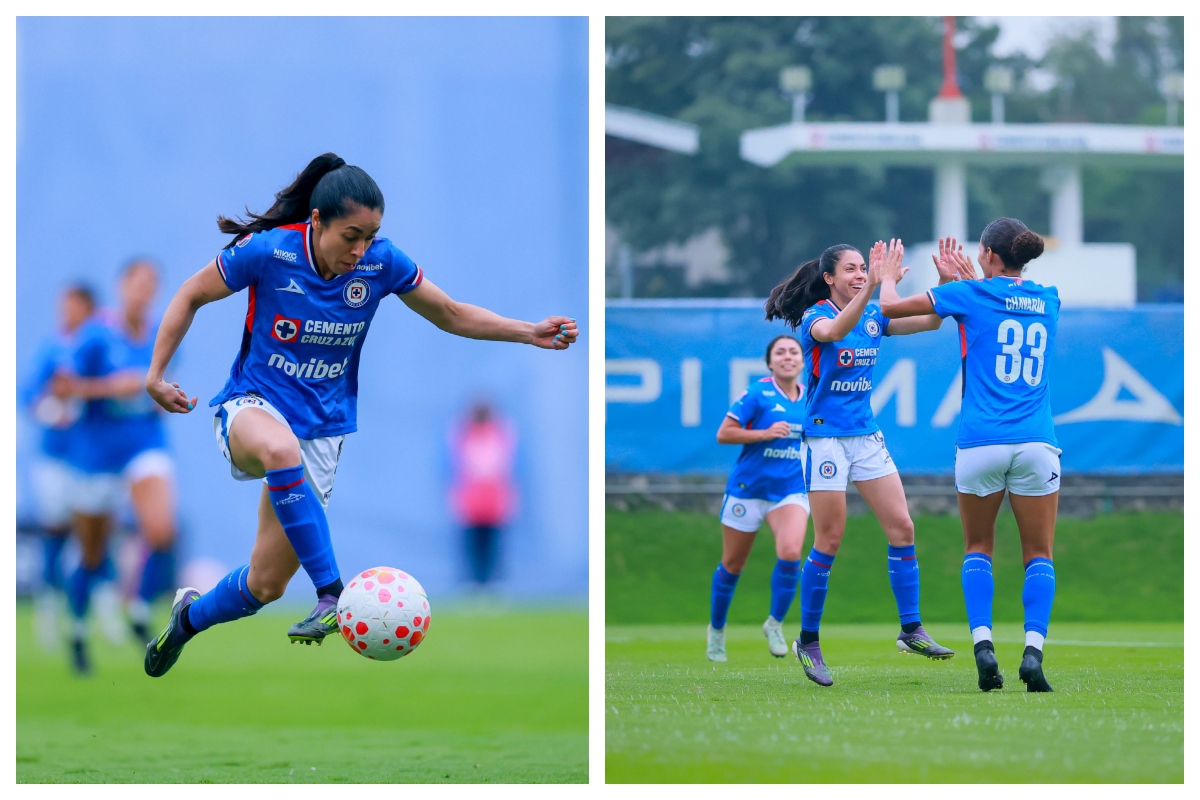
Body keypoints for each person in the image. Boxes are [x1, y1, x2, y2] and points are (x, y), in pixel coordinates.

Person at [140, 153, 579, 678]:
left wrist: (528, 331)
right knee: (280, 450)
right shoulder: (269, 251)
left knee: (265, 584)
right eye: (351, 235)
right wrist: (156, 374)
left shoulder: (381, 264)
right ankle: (332, 594)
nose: (361, 249)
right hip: (251, 407)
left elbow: (451, 314)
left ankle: (186, 619)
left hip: (322, 431)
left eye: (370, 236)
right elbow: (190, 294)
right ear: (318, 221)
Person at [764, 239, 958, 687]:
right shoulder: (817, 316)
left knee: (903, 527)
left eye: (862, 268)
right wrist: (873, 286)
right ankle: (807, 640)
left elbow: (930, 321)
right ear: (828, 278)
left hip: (866, 438)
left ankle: (911, 630)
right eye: (850, 269)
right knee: (829, 539)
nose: (858, 274)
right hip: (825, 440)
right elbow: (832, 334)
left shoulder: (873, 314)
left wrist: (945, 283)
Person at [879, 221, 1059, 693]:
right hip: (1037, 443)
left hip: (980, 443)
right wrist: (972, 282)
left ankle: (983, 646)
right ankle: (1033, 653)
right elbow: (1005, 301)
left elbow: (890, 309)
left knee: (979, 548)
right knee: (1038, 554)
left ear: (988, 253)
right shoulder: (1050, 299)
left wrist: (887, 275)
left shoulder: (970, 295)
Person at [706, 335, 809, 663]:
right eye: (780, 352)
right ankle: (717, 631)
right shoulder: (757, 393)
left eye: (794, 351)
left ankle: (775, 624)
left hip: (790, 490)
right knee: (732, 565)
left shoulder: (812, 398)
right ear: (770, 362)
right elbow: (724, 433)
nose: (787, 357)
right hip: (748, 490)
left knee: (791, 552)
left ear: (803, 361)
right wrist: (763, 433)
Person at [20, 285, 93, 652]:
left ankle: (102, 611)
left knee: (94, 535)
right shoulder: (52, 348)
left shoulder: (96, 345)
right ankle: (48, 610)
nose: (67, 311)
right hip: (54, 457)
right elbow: (27, 394)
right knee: (56, 532)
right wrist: (50, 410)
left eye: (74, 304)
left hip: (89, 458)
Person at [450, 401, 517, 588]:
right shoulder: (465, 434)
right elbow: (458, 466)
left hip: (493, 500)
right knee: (472, 544)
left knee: (492, 544)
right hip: (472, 500)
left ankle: (491, 581)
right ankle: (473, 580)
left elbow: (505, 465)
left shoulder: (499, 433)